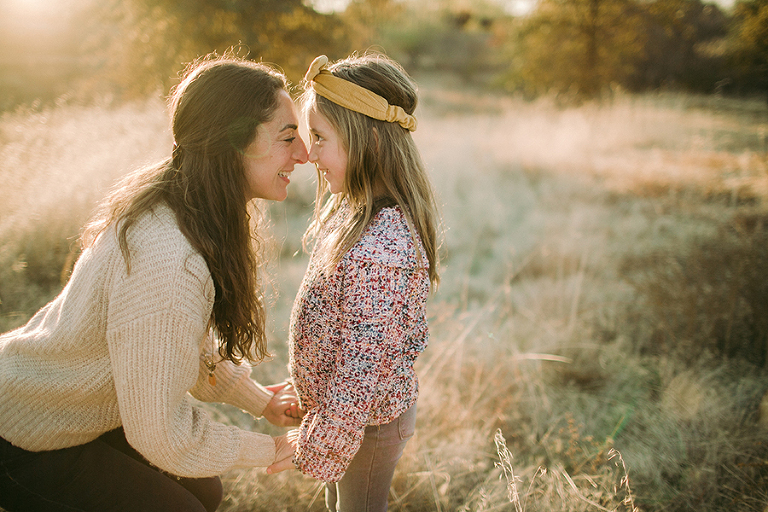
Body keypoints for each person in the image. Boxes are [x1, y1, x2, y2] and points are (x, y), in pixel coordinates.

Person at [0, 55, 309, 512]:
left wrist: (259, 401)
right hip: (21, 431)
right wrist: (273, 449)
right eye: (288, 137)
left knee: (204, 492)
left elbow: (181, 348)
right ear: (234, 143)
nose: (303, 153)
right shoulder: (169, 261)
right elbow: (161, 434)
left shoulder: (186, 209)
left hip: (69, 414)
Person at [267, 53, 441, 512]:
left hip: (367, 427)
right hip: (345, 419)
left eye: (321, 138)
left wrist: (320, 446)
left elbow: (360, 372)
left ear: (373, 141)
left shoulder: (382, 248)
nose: (311, 155)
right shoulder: (357, 213)